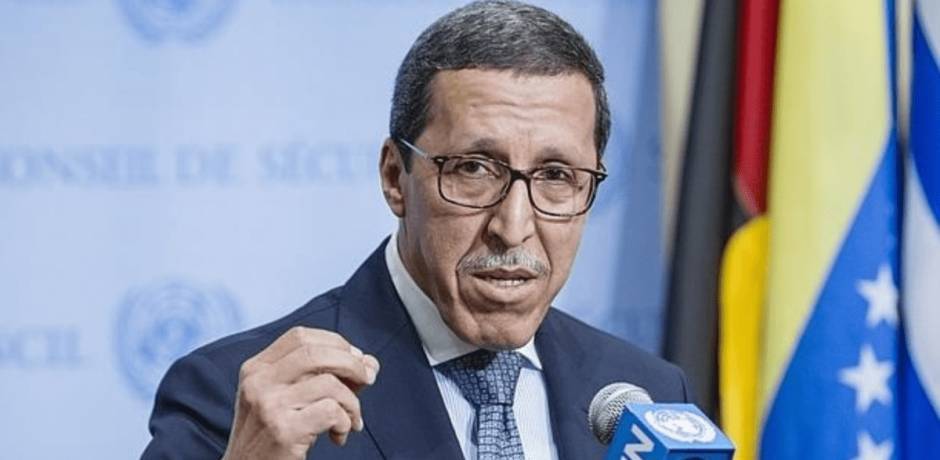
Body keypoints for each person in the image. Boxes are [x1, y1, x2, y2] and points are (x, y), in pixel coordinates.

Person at [141, 1, 691, 459]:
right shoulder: (235, 399)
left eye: (556, 176)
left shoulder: (648, 397)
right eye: (474, 169)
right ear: (394, 177)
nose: (514, 227)